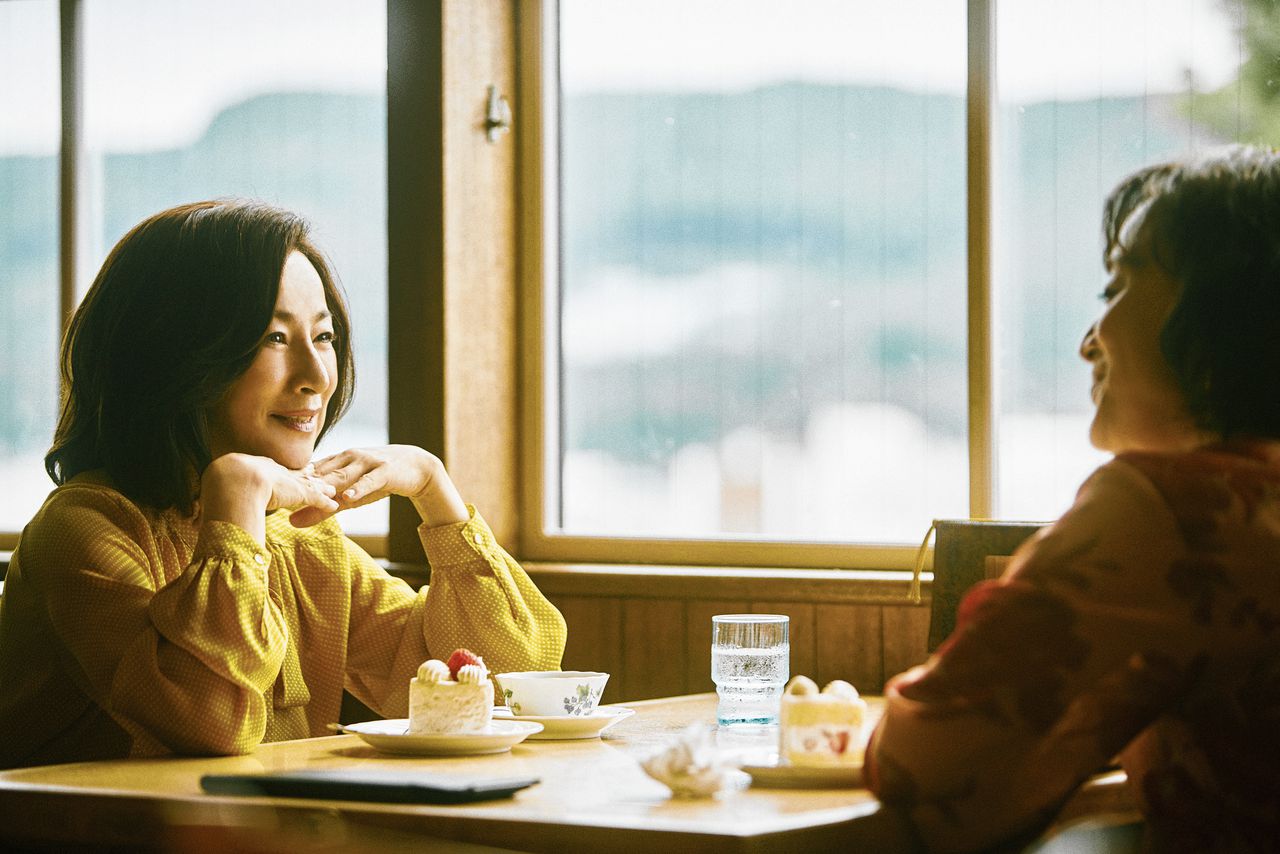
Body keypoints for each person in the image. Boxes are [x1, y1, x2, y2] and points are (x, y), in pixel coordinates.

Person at [0, 200, 566, 769]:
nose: (318, 377)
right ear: (172, 353)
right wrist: (235, 502)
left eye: (324, 337)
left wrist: (435, 494)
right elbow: (210, 723)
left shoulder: (298, 537)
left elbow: (507, 682)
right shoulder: (81, 532)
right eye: (274, 338)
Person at [867, 145, 1280, 852]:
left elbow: (925, 760)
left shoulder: (1173, 512)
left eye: (1118, 287)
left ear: (1222, 311)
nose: (1090, 341)